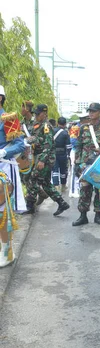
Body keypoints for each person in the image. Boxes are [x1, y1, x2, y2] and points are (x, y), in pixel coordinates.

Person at [24, 104, 70, 217]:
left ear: (44, 114)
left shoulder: (46, 126)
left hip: (45, 158)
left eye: (37, 114)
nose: (35, 116)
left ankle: (30, 205)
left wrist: (42, 161)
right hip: (39, 157)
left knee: (31, 179)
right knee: (45, 183)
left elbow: (48, 145)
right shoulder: (37, 125)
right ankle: (62, 203)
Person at [0, 85, 26, 267]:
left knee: (1, 213)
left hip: (3, 167)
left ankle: (7, 251)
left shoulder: (8, 119)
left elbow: (20, 145)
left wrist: (3, 152)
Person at [72, 103, 100, 226]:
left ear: (99, 112)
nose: (91, 113)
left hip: (99, 163)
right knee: (84, 189)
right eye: (90, 111)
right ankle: (83, 215)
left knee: (99, 189)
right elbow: (79, 145)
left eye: (93, 111)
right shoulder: (84, 128)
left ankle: (98, 215)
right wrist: (77, 162)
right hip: (85, 163)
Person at [51, 117, 70, 191]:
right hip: (63, 154)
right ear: (65, 124)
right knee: (63, 170)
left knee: (55, 170)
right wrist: (68, 155)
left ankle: (56, 186)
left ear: (57, 123)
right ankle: (63, 186)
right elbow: (68, 146)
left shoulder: (52, 131)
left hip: (53, 153)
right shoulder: (65, 133)